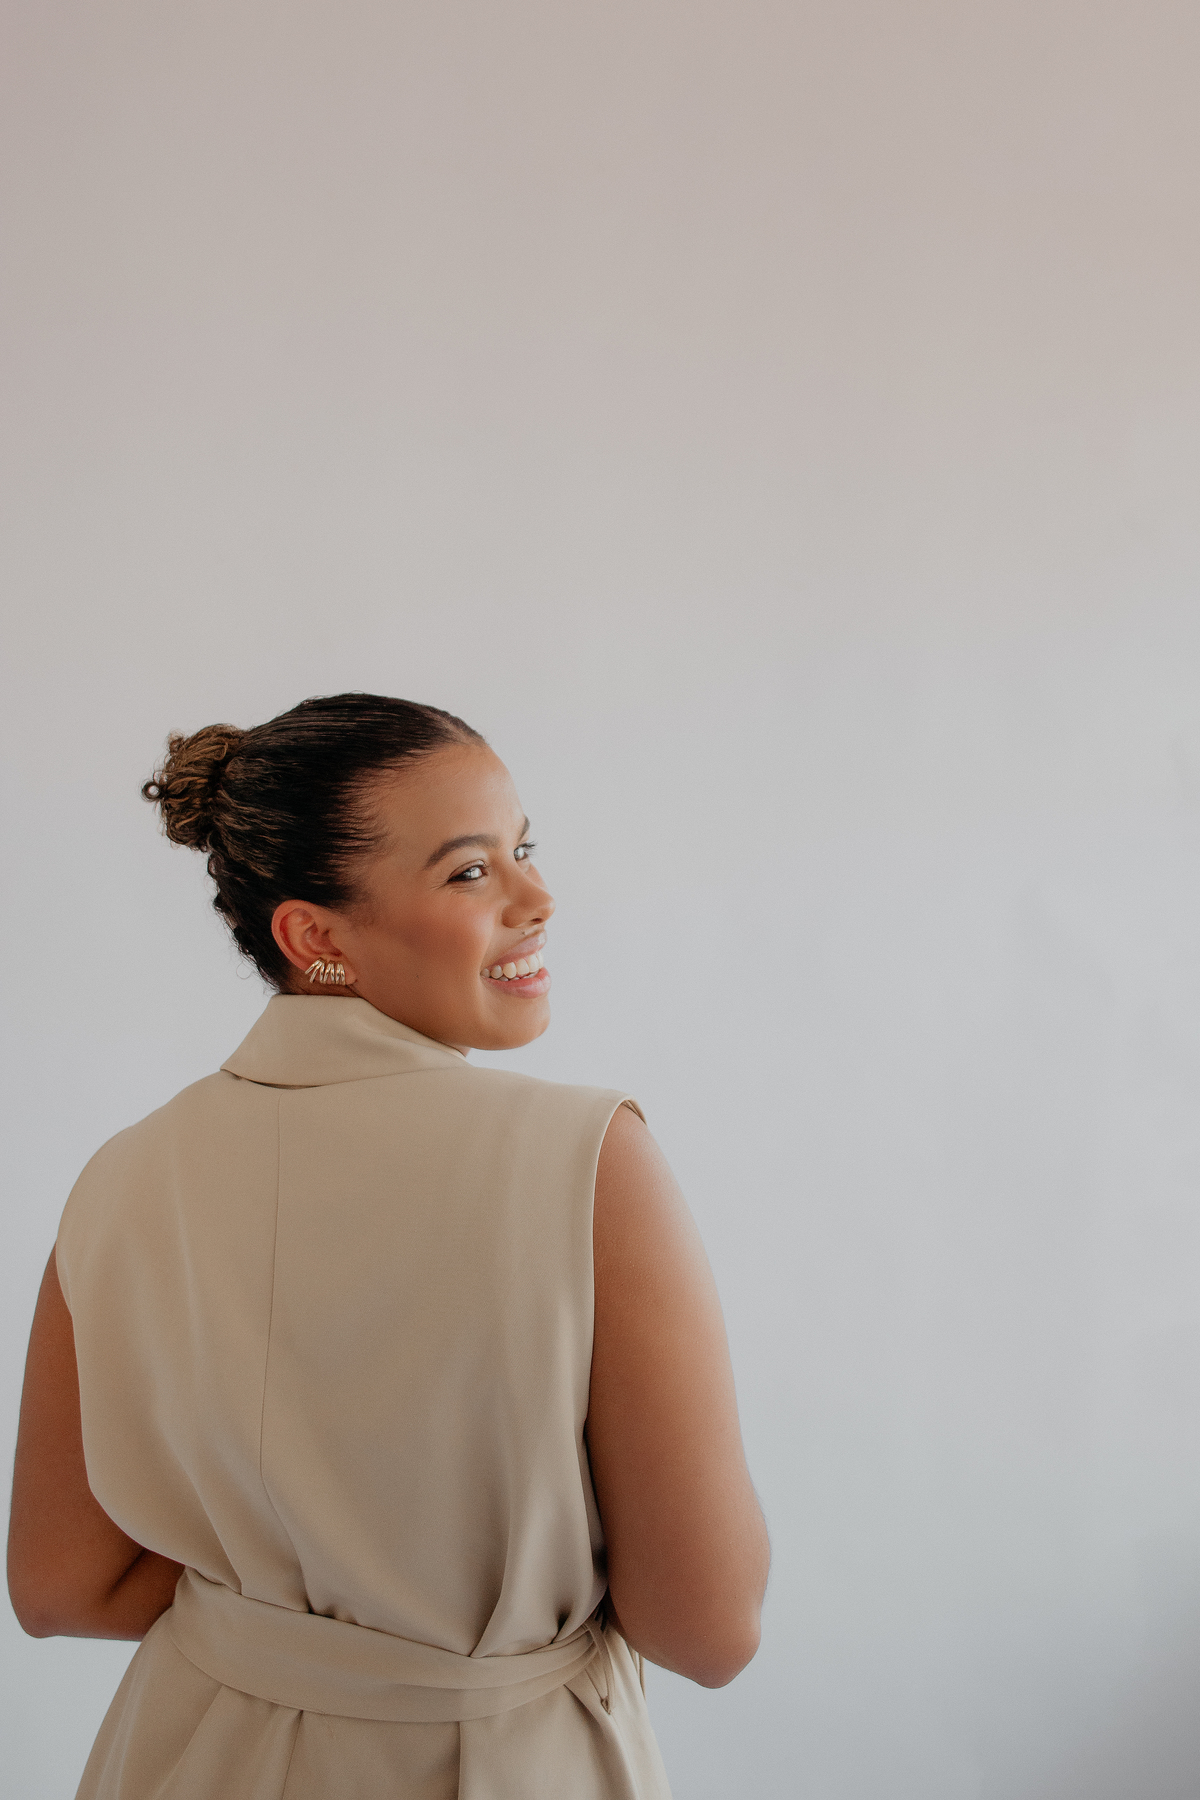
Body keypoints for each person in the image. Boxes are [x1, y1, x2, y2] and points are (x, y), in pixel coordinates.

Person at [8, 692, 769, 1800]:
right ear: (314, 936)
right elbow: (709, 1628)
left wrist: (291, 1601)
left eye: (523, 850)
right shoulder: (587, 1159)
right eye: (471, 872)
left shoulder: (120, 1179)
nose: (538, 898)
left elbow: (58, 1586)